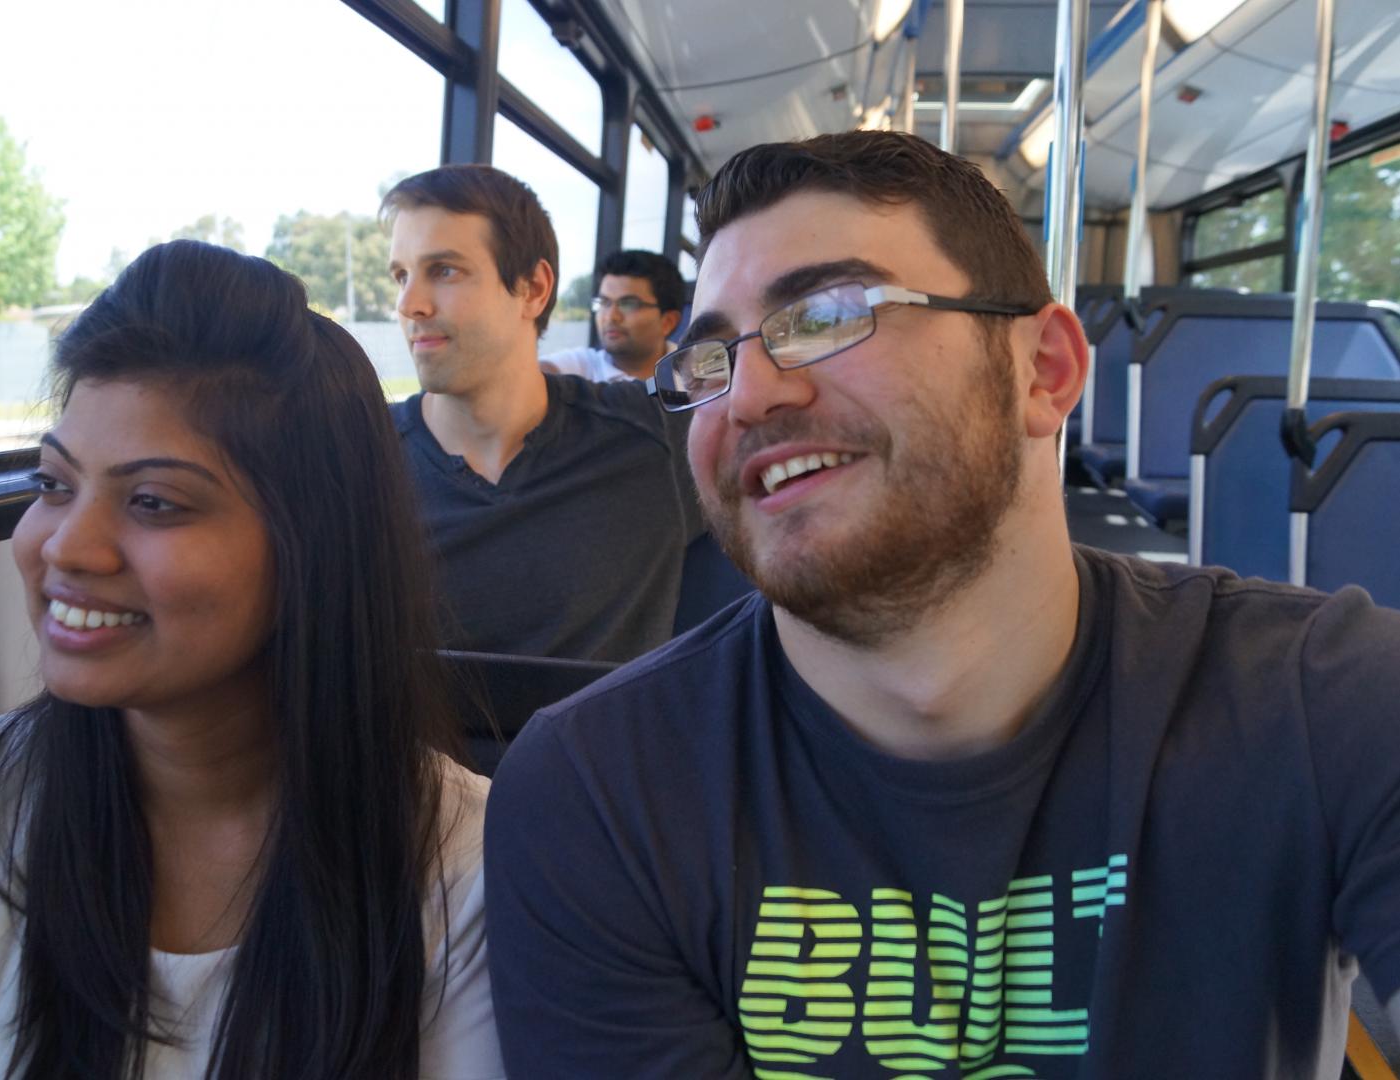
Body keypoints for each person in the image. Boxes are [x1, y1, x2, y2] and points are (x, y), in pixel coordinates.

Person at [483, 130, 1400, 1076]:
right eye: (709, 361)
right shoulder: (599, 789)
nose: (748, 393)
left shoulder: (1325, 700)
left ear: (1042, 370)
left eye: (829, 313)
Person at [0, 241, 504, 1079]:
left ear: (318, 548)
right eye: (54, 484)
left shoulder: (471, 867)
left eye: (154, 502)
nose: (66, 546)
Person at [383, 166, 704, 662]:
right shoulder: (360, 455)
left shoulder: (653, 440)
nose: (410, 304)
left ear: (533, 288)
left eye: (444, 270)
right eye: (401, 276)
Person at [543, 249, 685, 382]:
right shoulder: (582, 368)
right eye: (604, 302)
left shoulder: (695, 374)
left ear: (668, 322)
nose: (611, 317)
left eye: (628, 304)